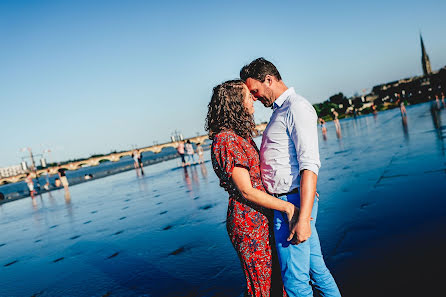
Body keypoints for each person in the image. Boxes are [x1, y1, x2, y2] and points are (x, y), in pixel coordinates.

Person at [241, 58, 341, 297]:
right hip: (292, 201)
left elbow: (309, 164)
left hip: (292, 206)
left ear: (269, 80)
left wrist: (303, 217)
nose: (254, 97)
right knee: (317, 272)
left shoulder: (296, 107)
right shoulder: (281, 111)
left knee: (295, 284)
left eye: (255, 90)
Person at [206, 80, 295, 297]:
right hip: (248, 221)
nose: (253, 99)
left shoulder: (239, 136)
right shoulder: (226, 140)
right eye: (248, 96)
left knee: (277, 280)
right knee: (261, 286)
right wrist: (287, 207)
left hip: (262, 215)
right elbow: (246, 190)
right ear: (236, 104)